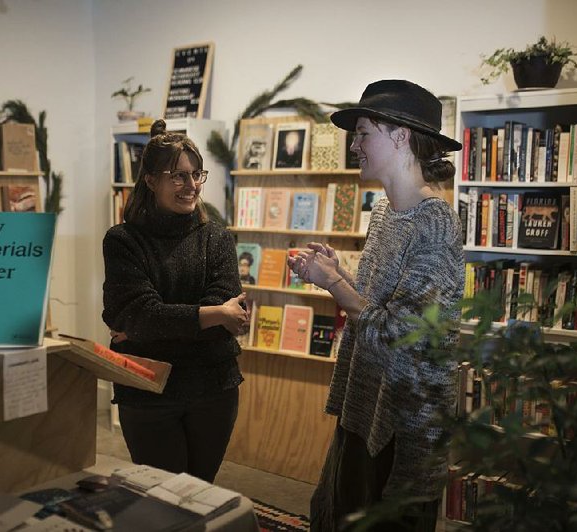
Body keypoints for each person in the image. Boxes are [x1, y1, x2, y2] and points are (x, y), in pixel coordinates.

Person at [287, 80, 465, 531]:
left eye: (364, 132)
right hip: (365, 404)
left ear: (401, 136)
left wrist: (335, 287)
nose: (355, 144)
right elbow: (376, 305)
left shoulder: (436, 222)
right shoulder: (385, 211)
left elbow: (398, 339)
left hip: (403, 424)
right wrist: (338, 273)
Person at [102, 119, 249, 483]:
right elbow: (140, 315)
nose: (191, 185)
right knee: (163, 498)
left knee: (200, 494)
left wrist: (146, 327)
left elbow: (143, 322)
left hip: (213, 391)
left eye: (197, 174)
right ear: (151, 180)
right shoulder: (123, 241)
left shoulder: (217, 238)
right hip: (148, 390)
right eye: (178, 176)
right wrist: (214, 315)